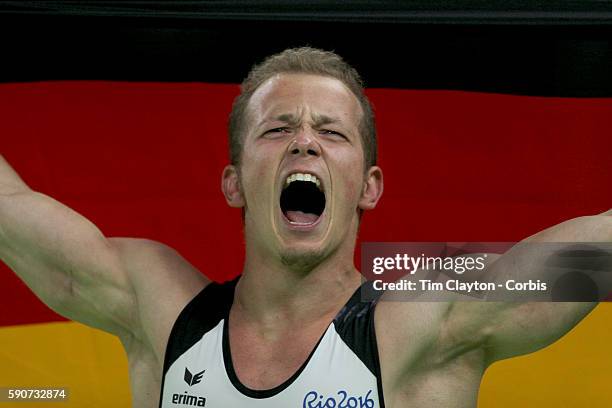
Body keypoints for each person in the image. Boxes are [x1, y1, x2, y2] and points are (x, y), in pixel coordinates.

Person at [0, 47, 610, 408]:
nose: (305, 144)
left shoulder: (424, 315)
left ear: (368, 185)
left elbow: (596, 251)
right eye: (277, 129)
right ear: (234, 182)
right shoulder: (160, 307)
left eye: (332, 132)